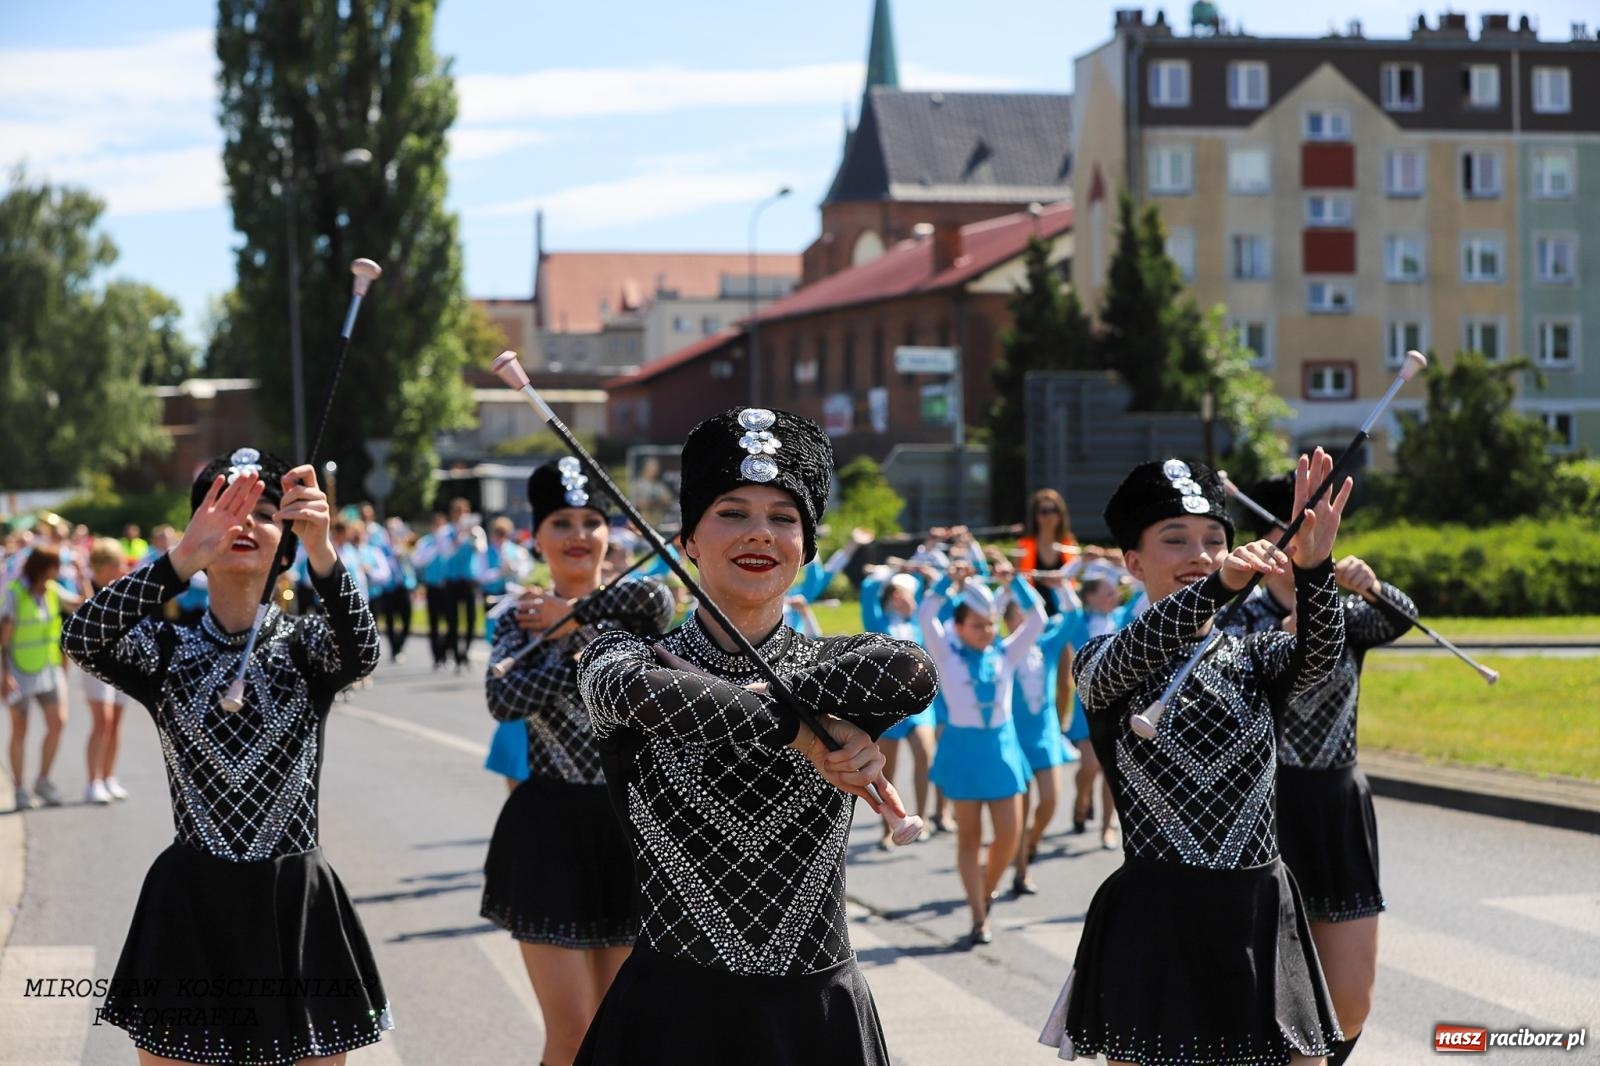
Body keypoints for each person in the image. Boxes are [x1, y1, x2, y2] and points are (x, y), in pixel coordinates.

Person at [573, 407, 936, 1066]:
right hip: (669, 1022)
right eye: (732, 512)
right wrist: (801, 730)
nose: (760, 533)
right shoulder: (626, 658)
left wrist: (779, 702)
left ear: (807, 546)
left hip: (817, 1020)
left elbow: (914, 672)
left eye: (784, 518)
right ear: (687, 539)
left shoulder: (839, 663)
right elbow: (629, 692)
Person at [60, 447, 391, 1065]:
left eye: (264, 513)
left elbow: (363, 651)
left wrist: (323, 550)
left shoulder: (307, 647)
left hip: (294, 907)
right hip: (190, 910)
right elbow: (80, 637)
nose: (244, 524)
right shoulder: (163, 649)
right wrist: (178, 561)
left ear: (284, 543)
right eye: (225, 509)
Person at [1039, 452, 1350, 1066]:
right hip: (1158, 918)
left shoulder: (1256, 658)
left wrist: (1315, 568)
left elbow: (1320, 657)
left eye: (1214, 540)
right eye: (1175, 539)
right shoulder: (1104, 660)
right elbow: (1137, 650)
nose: (1201, 554)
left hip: (1258, 910)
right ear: (1132, 562)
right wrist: (1220, 586)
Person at [482, 461, 675, 1066]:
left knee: (622, 1037)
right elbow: (503, 699)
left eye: (591, 521)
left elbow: (659, 598)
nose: (578, 535)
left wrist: (574, 618)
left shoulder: (634, 609)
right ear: (537, 536)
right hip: (551, 834)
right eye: (561, 523)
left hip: (628, 830)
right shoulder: (518, 617)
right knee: (571, 1036)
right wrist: (572, 642)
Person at [1229, 475, 1417, 1066]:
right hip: (1265, 809)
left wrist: (1373, 586)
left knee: (1350, 1003)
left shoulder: (1344, 612)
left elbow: (1399, 619)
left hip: (1337, 805)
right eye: (1286, 535)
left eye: (1312, 534)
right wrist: (1284, 638)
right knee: (1267, 994)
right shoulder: (1240, 619)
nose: (1297, 547)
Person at [920, 559, 1045, 946]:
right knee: (969, 838)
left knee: (1009, 835)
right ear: (958, 627)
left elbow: (1038, 620)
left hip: (1002, 751)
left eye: (990, 624)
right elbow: (926, 616)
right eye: (977, 625)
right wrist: (947, 583)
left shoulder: (1006, 653)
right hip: (963, 751)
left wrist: (1015, 583)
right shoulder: (946, 654)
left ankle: (988, 888)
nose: (987, 631)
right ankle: (978, 915)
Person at [1004, 583, 1077, 895]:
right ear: (1007, 621)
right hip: (1015, 740)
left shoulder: (1047, 645)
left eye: (1026, 614)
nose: (1024, 621)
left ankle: (1031, 842)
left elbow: (1073, 616)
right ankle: (1021, 872)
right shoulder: (1002, 651)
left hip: (1045, 737)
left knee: (1050, 800)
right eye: (1017, 615)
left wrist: (1062, 584)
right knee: (1019, 811)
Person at [859, 567, 937, 846]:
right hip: (886, 709)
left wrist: (924, 573)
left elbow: (937, 600)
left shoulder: (918, 621)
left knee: (924, 754)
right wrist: (889, 572)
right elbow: (868, 592)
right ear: (893, 595)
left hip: (918, 707)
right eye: (906, 595)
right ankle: (888, 828)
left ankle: (922, 820)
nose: (912, 600)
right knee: (886, 771)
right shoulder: (878, 621)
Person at [3, 546, 81, 809]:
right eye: (55, 566)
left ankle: (43, 780)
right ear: (43, 567)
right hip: (18, 671)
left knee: (58, 722)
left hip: (48, 669)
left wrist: (82, 576)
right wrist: (4, 675)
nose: (58, 571)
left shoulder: (53, 590)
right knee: (20, 729)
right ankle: (19, 789)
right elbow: (3, 640)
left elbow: (84, 604)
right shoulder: (15, 593)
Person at [81, 539, 133, 805]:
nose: (123, 568)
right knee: (102, 721)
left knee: (115, 723)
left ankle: (109, 777)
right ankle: (93, 782)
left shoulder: (121, 589)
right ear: (103, 566)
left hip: (119, 661)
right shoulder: (86, 586)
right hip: (94, 663)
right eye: (117, 563)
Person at [1018, 489, 1079, 614]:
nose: (1049, 516)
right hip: (1035, 613)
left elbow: (1075, 583)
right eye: (1044, 511)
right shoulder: (1024, 546)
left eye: (1054, 510)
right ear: (1035, 516)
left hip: (1065, 614)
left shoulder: (1070, 545)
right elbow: (1019, 583)